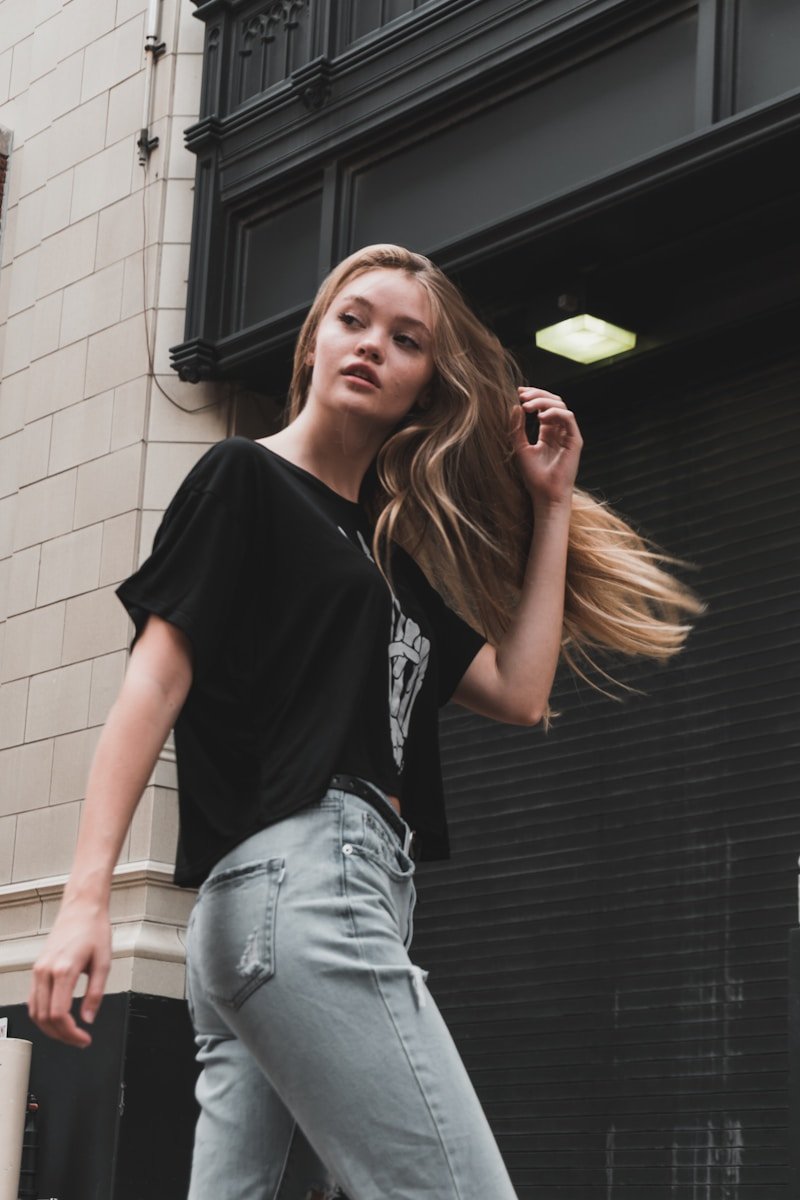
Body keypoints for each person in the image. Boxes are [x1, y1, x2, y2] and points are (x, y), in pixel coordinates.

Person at [28, 244, 700, 1199]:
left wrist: (551, 508)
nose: (372, 345)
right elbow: (156, 680)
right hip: (305, 889)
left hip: (273, 916)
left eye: (406, 339)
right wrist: (84, 900)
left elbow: (519, 689)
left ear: (425, 390)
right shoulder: (242, 479)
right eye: (353, 319)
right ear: (313, 341)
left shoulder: (386, 557)